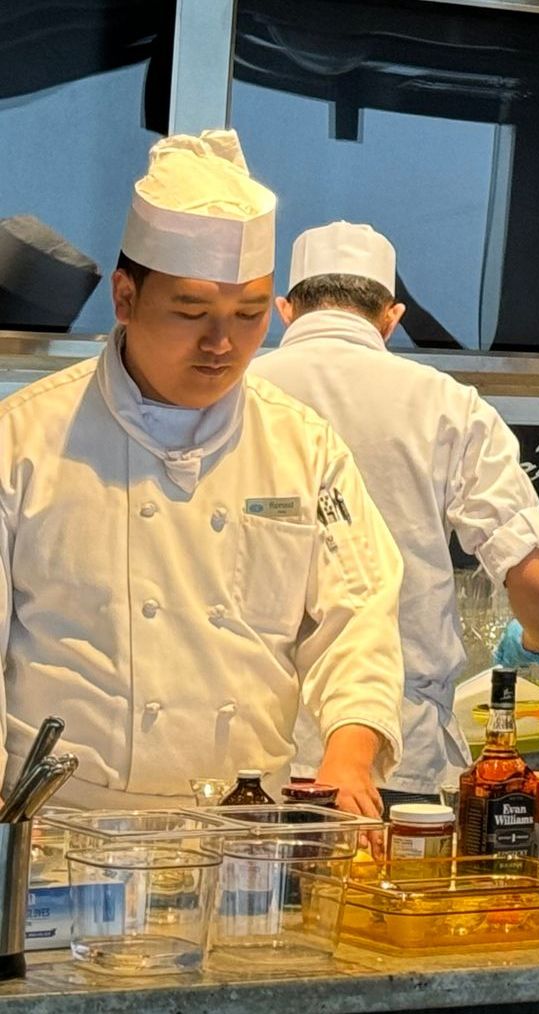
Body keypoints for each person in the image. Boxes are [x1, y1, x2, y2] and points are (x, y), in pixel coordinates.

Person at [0, 131, 405, 814]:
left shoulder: (302, 447)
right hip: (62, 834)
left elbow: (359, 612)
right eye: (191, 313)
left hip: (244, 834)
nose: (222, 344)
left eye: (249, 316)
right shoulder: (24, 440)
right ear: (124, 299)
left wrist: (350, 749)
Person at [250, 221, 539, 809]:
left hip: (249, 757)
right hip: (397, 753)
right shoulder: (447, 405)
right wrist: (534, 642)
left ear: (284, 311)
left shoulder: (234, 391)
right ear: (391, 318)